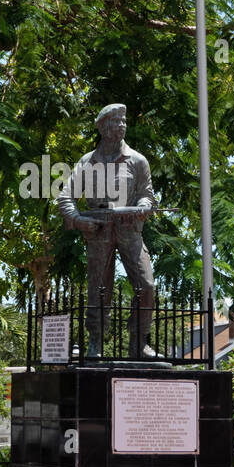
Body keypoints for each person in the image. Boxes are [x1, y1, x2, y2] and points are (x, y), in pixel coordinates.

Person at [55, 103, 156, 358]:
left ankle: (139, 344)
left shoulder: (137, 161)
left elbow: (147, 195)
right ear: (102, 126)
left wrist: (143, 206)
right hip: (98, 231)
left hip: (129, 230)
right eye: (115, 121)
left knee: (146, 285)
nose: (121, 125)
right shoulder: (87, 163)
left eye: (123, 121)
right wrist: (78, 220)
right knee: (99, 289)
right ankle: (95, 343)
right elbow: (65, 198)